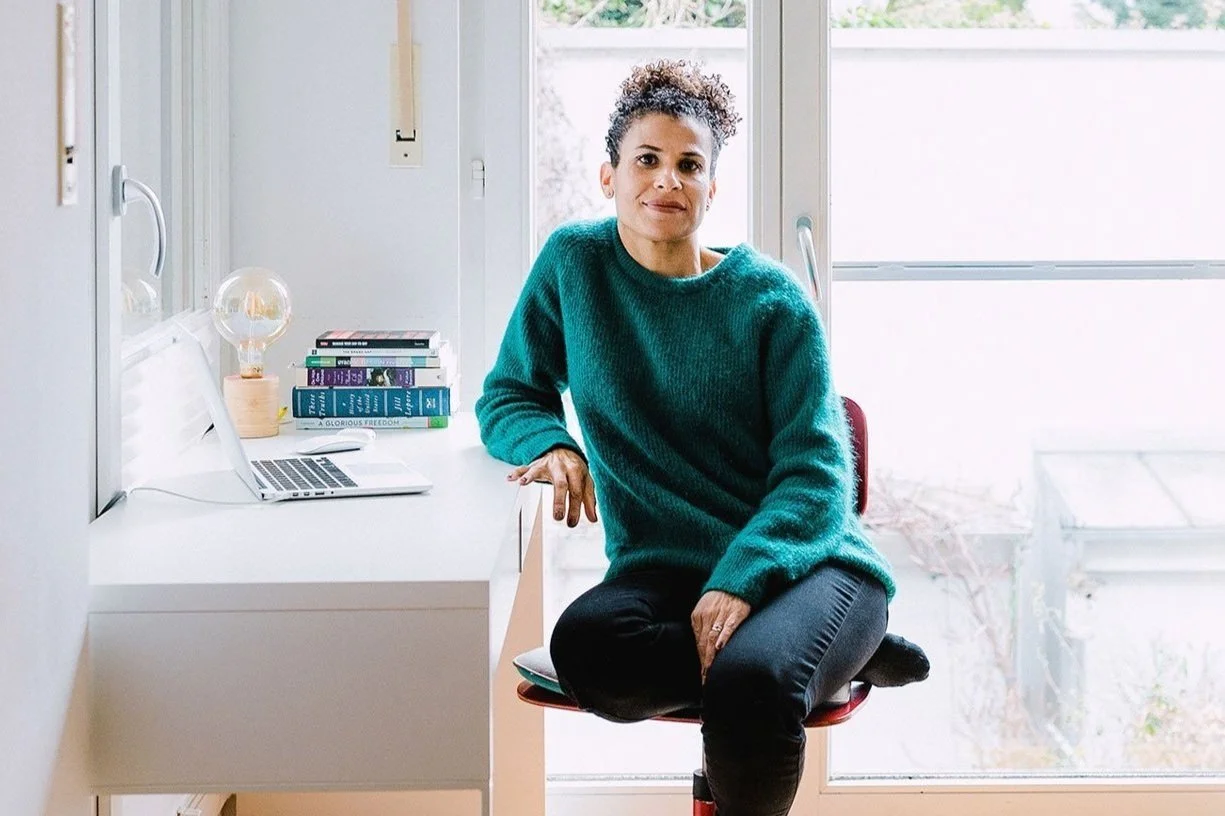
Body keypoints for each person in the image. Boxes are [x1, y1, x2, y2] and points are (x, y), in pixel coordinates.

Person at [475, 59, 927, 816]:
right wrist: (549, 444)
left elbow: (817, 474)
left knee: (750, 685)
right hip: (665, 570)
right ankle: (816, 663)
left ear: (712, 188)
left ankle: (807, 652)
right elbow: (509, 393)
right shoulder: (574, 265)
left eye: (689, 165)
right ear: (608, 175)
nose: (666, 181)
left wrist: (738, 580)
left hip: (808, 569)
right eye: (645, 160)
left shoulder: (770, 301)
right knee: (586, 651)